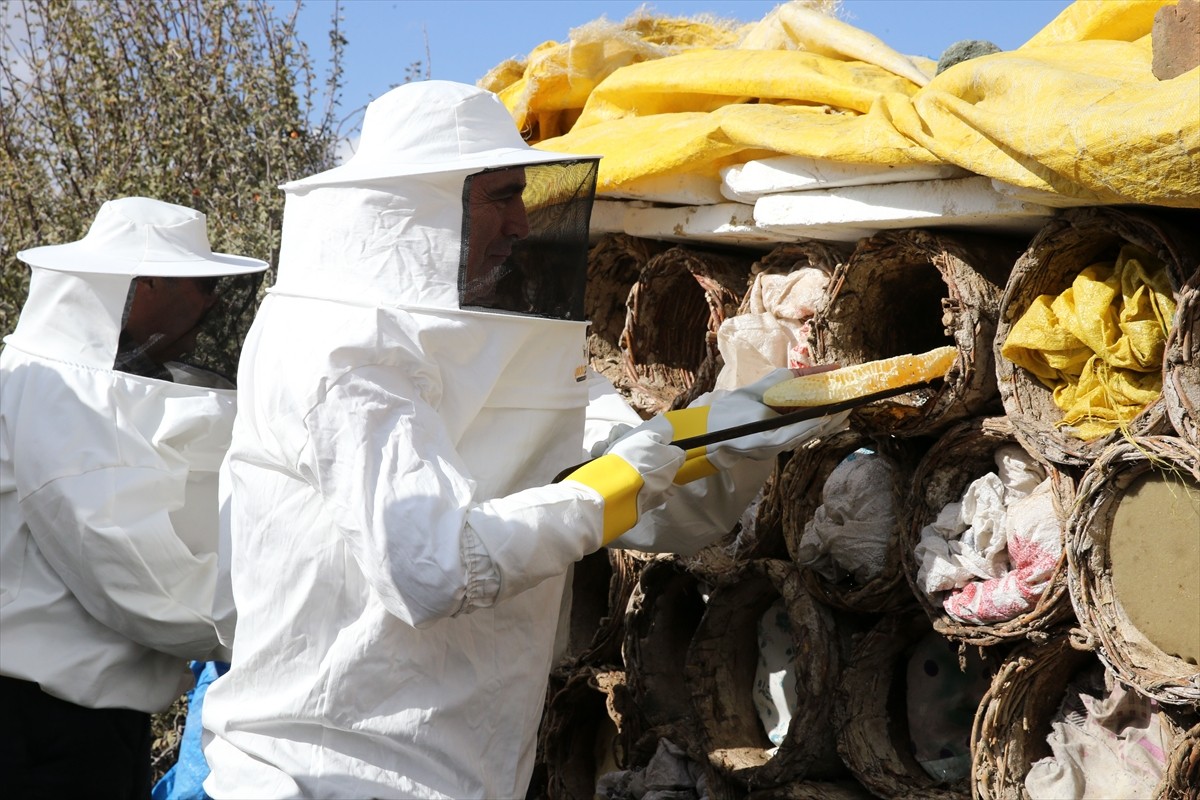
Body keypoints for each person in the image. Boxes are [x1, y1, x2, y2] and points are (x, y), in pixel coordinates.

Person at [201, 80, 846, 799]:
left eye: (522, 197)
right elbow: (432, 563)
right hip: (316, 775)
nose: (521, 224)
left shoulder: (511, 346)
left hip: (462, 773)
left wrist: (741, 431)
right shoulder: (335, 349)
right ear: (431, 202)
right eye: (501, 197)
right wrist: (609, 485)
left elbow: (654, 504)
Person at [0, 197, 268, 797]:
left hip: (77, 725)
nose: (212, 304)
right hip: (37, 730)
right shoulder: (62, 394)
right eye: (200, 286)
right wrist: (276, 616)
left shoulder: (69, 383)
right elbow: (144, 584)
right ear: (144, 284)